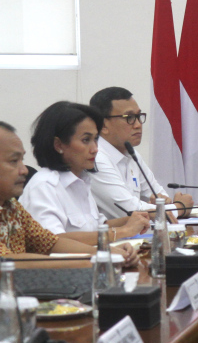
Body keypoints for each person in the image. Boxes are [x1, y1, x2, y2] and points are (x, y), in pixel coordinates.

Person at [0, 120, 137, 293]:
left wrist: (107, 251)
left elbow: (51, 243)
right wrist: (95, 259)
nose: (23, 170)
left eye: (22, 160)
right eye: (13, 161)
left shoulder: (10, 205)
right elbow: (4, 264)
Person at [19, 101, 150, 243]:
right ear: (59, 145)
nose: (95, 149)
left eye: (95, 139)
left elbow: (97, 228)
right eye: (86, 140)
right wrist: (124, 231)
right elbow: (54, 241)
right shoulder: (44, 185)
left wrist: (132, 219)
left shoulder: (82, 180)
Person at [87, 86, 193, 219]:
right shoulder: (94, 158)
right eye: (129, 117)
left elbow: (159, 195)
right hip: (110, 238)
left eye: (138, 116)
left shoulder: (132, 154)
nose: (138, 124)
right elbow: (130, 210)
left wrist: (163, 202)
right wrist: (180, 207)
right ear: (103, 126)